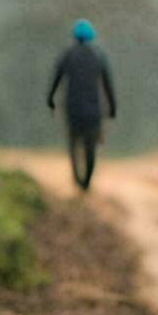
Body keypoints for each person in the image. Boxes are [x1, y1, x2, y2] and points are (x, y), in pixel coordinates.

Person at [47, 18, 117, 190]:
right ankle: (86, 182)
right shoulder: (98, 55)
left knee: (73, 143)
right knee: (90, 146)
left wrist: (50, 99)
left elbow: (57, 79)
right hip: (93, 110)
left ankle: (77, 179)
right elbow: (108, 84)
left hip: (73, 109)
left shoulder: (68, 54)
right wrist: (113, 107)